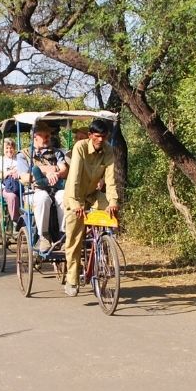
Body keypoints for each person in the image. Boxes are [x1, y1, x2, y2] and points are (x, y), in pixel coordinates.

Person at [62, 118, 121, 297]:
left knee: (112, 214)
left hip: (93, 195)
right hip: (76, 196)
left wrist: (113, 202)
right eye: (97, 136)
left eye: (104, 136)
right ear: (90, 136)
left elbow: (110, 180)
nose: (101, 140)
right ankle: (72, 278)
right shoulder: (80, 147)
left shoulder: (108, 150)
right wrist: (75, 204)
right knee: (74, 238)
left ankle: (105, 249)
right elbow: (74, 178)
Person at [17, 121, 68, 252]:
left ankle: (63, 235)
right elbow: (24, 177)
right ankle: (43, 237)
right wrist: (47, 171)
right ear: (35, 136)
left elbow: (64, 170)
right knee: (42, 198)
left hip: (56, 189)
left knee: (64, 196)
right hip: (33, 192)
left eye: (49, 136)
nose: (48, 139)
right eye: (45, 136)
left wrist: (53, 172)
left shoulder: (56, 153)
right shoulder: (23, 155)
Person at [0, 137, 21, 224]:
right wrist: (9, 172)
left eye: (11, 147)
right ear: (3, 149)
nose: (9, 150)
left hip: (20, 185)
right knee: (12, 197)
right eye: (7, 148)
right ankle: (15, 221)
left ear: (14, 148)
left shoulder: (19, 158)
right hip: (5, 187)